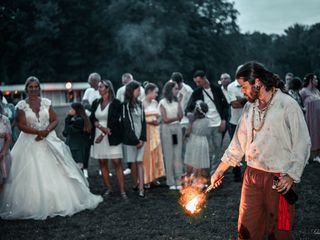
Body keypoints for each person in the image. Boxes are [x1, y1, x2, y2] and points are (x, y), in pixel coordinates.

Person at [210, 62, 311, 239]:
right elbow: (237, 145)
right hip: (252, 176)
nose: (242, 91)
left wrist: (291, 175)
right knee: (247, 230)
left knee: (279, 232)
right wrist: (219, 171)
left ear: (257, 82)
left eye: (244, 86)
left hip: (279, 178)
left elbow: (302, 142)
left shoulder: (287, 105)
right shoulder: (250, 107)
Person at [0, 76, 102, 220]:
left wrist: (46, 130)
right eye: (31, 87)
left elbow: (54, 120)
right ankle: (32, 205)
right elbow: (21, 125)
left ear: (39, 88)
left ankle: (60, 201)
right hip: (29, 141)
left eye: (36, 86)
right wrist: (37, 132)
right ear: (26, 89)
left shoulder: (47, 103)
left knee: (59, 170)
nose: (34, 89)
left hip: (48, 138)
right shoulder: (21, 106)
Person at [90, 80, 127, 199]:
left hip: (112, 134)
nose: (99, 89)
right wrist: (99, 126)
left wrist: (104, 133)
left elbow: (116, 120)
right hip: (98, 133)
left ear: (108, 88)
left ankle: (122, 190)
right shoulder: (96, 102)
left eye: (101, 87)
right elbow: (92, 118)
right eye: (99, 87)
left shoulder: (116, 103)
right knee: (102, 162)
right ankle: (109, 188)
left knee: (117, 162)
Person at [186, 70, 228, 174]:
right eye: (196, 82)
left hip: (218, 123)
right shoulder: (197, 92)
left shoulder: (217, 90)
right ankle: (203, 171)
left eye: (199, 81)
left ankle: (214, 172)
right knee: (205, 149)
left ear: (204, 78)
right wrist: (194, 116)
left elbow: (225, 106)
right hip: (205, 124)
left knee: (217, 149)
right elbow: (188, 108)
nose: (197, 84)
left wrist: (223, 120)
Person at [116, 73, 145, 175]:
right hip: (127, 117)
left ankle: (139, 172)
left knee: (140, 154)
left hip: (137, 117)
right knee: (129, 146)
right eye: (124, 83)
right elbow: (119, 103)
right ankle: (129, 166)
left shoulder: (140, 90)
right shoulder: (120, 91)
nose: (126, 84)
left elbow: (142, 102)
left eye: (127, 82)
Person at [121, 80, 146, 198]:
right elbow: (127, 124)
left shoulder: (140, 104)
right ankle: (135, 183)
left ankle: (141, 188)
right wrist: (135, 140)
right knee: (134, 163)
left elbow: (143, 122)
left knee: (140, 162)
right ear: (132, 91)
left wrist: (142, 138)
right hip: (131, 139)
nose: (140, 91)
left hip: (140, 137)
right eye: (138, 89)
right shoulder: (125, 105)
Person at [159, 81, 183, 190]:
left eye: (177, 89)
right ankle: (170, 181)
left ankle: (178, 180)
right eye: (175, 89)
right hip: (167, 130)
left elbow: (181, 116)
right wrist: (175, 118)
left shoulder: (177, 101)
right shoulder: (162, 102)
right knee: (168, 155)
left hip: (177, 128)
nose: (177, 91)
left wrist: (180, 102)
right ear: (170, 90)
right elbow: (165, 119)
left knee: (178, 154)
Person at [142, 83, 165, 188]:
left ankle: (155, 177)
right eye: (155, 92)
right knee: (147, 155)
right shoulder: (141, 103)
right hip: (146, 131)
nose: (157, 94)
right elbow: (140, 119)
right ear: (149, 92)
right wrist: (150, 122)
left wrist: (158, 121)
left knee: (156, 154)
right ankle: (147, 179)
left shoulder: (155, 103)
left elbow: (160, 116)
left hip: (155, 131)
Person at [227, 71, 248, 182]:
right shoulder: (231, 87)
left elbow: (254, 101)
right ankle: (237, 173)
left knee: (250, 147)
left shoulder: (249, 84)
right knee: (235, 148)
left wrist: (241, 99)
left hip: (248, 121)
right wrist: (247, 100)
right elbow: (234, 105)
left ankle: (249, 172)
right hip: (235, 122)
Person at [82, 72, 101, 178]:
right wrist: (93, 108)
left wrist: (94, 108)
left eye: (91, 80)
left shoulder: (101, 90)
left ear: (96, 81)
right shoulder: (88, 90)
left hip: (99, 120)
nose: (89, 82)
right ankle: (85, 168)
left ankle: (101, 168)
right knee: (87, 145)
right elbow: (84, 103)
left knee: (100, 144)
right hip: (89, 120)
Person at [184, 101, 210, 178]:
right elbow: (208, 132)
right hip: (203, 141)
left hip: (193, 140)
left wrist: (185, 136)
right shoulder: (207, 120)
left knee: (190, 159)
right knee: (200, 161)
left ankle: (188, 176)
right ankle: (198, 178)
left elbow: (188, 131)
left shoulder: (191, 118)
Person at [63, 102, 92, 170]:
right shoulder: (78, 120)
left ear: (77, 110)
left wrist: (68, 117)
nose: (70, 111)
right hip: (75, 149)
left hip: (76, 151)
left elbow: (67, 131)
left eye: (72, 109)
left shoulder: (79, 121)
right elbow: (64, 133)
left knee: (77, 171)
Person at [300, 73, 320, 163]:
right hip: (308, 117)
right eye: (315, 79)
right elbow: (297, 102)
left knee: (317, 134)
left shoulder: (317, 91)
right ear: (310, 80)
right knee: (308, 135)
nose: (317, 81)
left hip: (317, 118)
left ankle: (316, 155)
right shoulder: (303, 91)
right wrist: (302, 109)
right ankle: (306, 156)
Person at [0, 109, 12, 192]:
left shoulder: (4, 119)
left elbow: (8, 138)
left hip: (3, 154)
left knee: (3, 185)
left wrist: (3, 152)